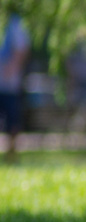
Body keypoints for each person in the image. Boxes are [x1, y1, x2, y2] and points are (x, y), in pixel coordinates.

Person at [0, 13, 30, 164]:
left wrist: (11, 69)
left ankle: (11, 153)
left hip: (8, 84)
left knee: (12, 121)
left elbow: (22, 49)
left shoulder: (14, 24)